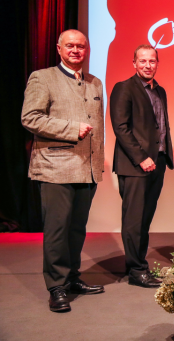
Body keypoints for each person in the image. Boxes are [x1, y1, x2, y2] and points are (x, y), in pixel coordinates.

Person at [21, 29, 105, 312]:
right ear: (59, 48)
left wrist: (98, 165)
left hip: (87, 169)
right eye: (70, 45)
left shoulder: (95, 83)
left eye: (81, 46)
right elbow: (30, 118)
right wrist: (71, 130)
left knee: (77, 229)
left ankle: (71, 278)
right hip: (55, 168)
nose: (76, 50)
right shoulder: (42, 77)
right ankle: (55, 286)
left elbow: (99, 128)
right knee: (57, 230)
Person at [110, 45, 174, 288]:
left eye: (152, 61)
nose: (148, 65)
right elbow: (121, 128)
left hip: (156, 163)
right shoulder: (124, 88)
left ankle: (135, 264)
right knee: (134, 219)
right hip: (135, 165)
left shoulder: (160, 91)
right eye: (143, 61)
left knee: (145, 218)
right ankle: (137, 270)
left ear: (157, 63)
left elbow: (160, 126)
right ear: (134, 63)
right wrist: (141, 157)